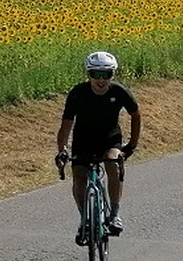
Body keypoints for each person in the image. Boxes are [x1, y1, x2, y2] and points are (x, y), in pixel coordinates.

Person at [55, 51, 142, 245]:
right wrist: (62, 149)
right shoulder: (78, 93)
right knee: (78, 175)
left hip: (109, 138)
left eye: (107, 74)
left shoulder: (119, 92)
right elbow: (66, 124)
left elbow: (136, 114)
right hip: (83, 139)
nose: (101, 80)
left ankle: (114, 215)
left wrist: (132, 145)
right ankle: (85, 219)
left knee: (113, 162)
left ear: (113, 74)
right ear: (88, 74)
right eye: (96, 74)